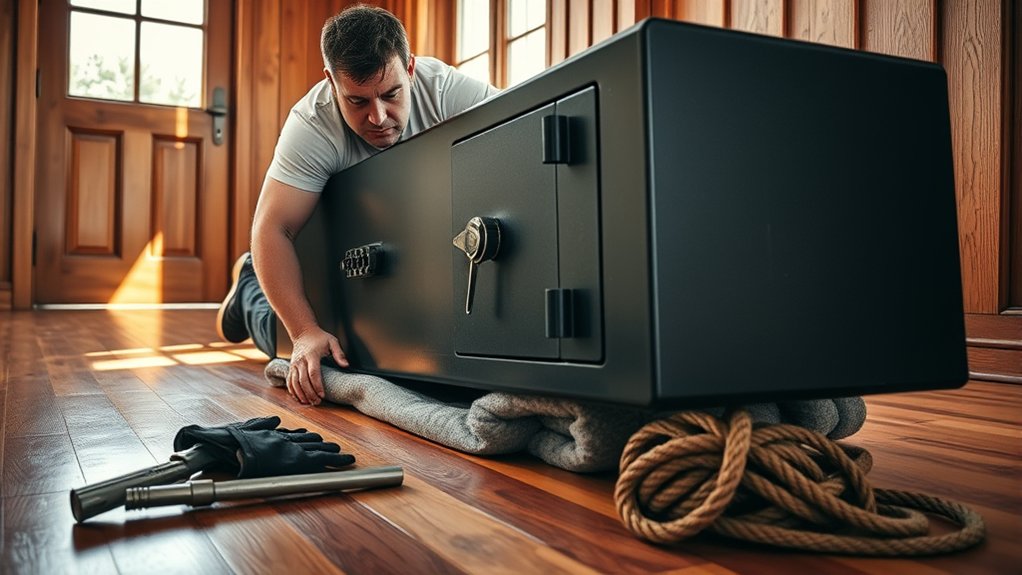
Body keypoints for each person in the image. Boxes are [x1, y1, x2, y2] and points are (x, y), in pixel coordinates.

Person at [215, 5, 498, 406]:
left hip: (419, 252)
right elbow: (272, 229)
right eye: (358, 101)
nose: (379, 116)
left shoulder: (446, 89)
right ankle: (248, 287)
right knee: (309, 350)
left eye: (391, 94)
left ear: (411, 68)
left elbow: (516, 142)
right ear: (331, 82)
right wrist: (302, 333)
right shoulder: (311, 125)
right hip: (340, 269)